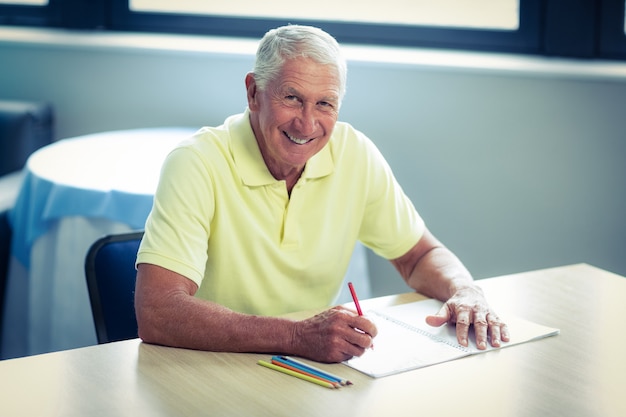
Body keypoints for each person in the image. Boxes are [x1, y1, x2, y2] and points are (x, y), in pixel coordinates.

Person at [134, 24, 509, 363]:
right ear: (253, 92)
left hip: (308, 369)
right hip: (210, 367)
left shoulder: (354, 152)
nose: (307, 123)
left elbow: (419, 256)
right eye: (292, 98)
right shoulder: (196, 161)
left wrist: (465, 290)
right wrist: (296, 335)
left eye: (325, 104)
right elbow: (158, 312)